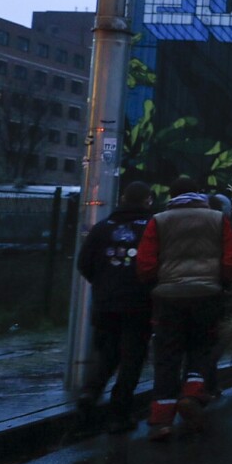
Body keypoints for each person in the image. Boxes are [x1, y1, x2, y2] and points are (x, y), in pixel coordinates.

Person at [136, 176, 232, 442]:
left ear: (171, 195)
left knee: (167, 355)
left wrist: (153, 285)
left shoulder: (159, 221)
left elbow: (146, 262)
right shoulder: (217, 219)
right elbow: (230, 258)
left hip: (168, 296)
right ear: (198, 193)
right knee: (202, 346)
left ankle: (161, 421)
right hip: (207, 294)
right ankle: (192, 393)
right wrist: (223, 283)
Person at [75, 181, 155, 433]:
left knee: (108, 353)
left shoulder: (102, 228)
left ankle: (90, 391)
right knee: (132, 357)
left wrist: (102, 283)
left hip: (106, 303)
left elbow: (84, 263)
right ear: (147, 201)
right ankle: (119, 414)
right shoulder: (152, 227)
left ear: (122, 199)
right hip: (139, 303)